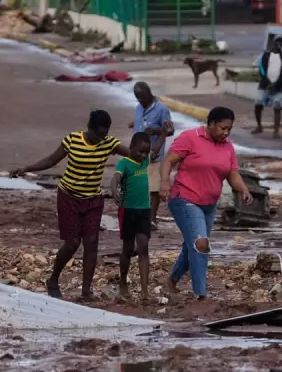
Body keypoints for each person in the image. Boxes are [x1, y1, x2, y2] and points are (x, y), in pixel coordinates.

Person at [11, 110, 127, 301]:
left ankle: (86, 290)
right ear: (90, 128)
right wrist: (26, 168)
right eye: (98, 134)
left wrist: (148, 150)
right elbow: (51, 160)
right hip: (68, 197)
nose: (100, 139)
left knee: (91, 242)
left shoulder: (109, 143)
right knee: (72, 243)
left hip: (93, 200)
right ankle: (53, 279)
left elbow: (133, 154)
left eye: (104, 135)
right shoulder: (72, 140)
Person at [160, 107, 253, 300]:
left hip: (209, 204)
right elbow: (169, 160)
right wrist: (164, 182)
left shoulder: (227, 146)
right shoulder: (190, 138)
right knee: (201, 244)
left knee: (192, 245)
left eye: (229, 129)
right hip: (184, 198)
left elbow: (232, 173)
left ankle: (172, 280)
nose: (226, 132)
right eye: (222, 128)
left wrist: (243, 189)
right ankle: (200, 294)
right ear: (210, 124)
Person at [112, 133, 152, 302]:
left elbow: (155, 150)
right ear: (131, 147)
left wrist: (163, 134)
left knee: (143, 246)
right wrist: (114, 190)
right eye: (140, 152)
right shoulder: (124, 163)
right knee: (127, 249)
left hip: (144, 210)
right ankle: (123, 283)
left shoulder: (146, 161)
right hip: (127, 211)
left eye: (146, 153)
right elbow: (116, 178)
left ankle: (144, 291)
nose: (143, 156)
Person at [131, 81, 173, 229]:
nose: (140, 101)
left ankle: (152, 219)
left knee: (154, 189)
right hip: (137, 155)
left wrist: (156, 131)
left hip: (154, 155)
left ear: (149, 94)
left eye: (142, 98)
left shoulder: (162, 109)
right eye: (138, 98)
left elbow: (170, 130)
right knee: (139, 187)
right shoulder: (138, 108)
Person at [253, 36, 282, 139]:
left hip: (278, 88)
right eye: (277, 42)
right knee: (258, 104)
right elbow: (261, 69)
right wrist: (268, 82)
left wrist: (276, 84)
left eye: (281, 43)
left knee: (277, 107)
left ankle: (276, 131)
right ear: (273, 43)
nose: (279, 44)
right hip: (264, 86)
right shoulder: (265, 56)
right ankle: (259, 126)